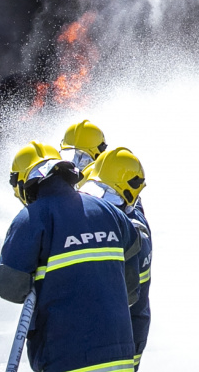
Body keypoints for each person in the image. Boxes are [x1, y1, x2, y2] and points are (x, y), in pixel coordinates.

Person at [0, 141, 141, 372]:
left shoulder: (32, 218)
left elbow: (9, 285)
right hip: (120, 356)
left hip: (66, 357)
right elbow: (132, 285)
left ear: (23, 182)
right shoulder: (110, 212)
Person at [80, 147, 154, 371]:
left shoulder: (133, 232)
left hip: (122, 337)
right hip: (123, 336)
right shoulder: (128, 217)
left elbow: (131, 297)